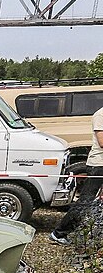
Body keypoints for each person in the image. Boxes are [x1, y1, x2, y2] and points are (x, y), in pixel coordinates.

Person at [51, 104, 103, 244]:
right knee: (85, 201)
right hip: (98, 165)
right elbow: (101, 141)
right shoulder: (100, 115)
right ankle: (59, 233)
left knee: (97, 202)